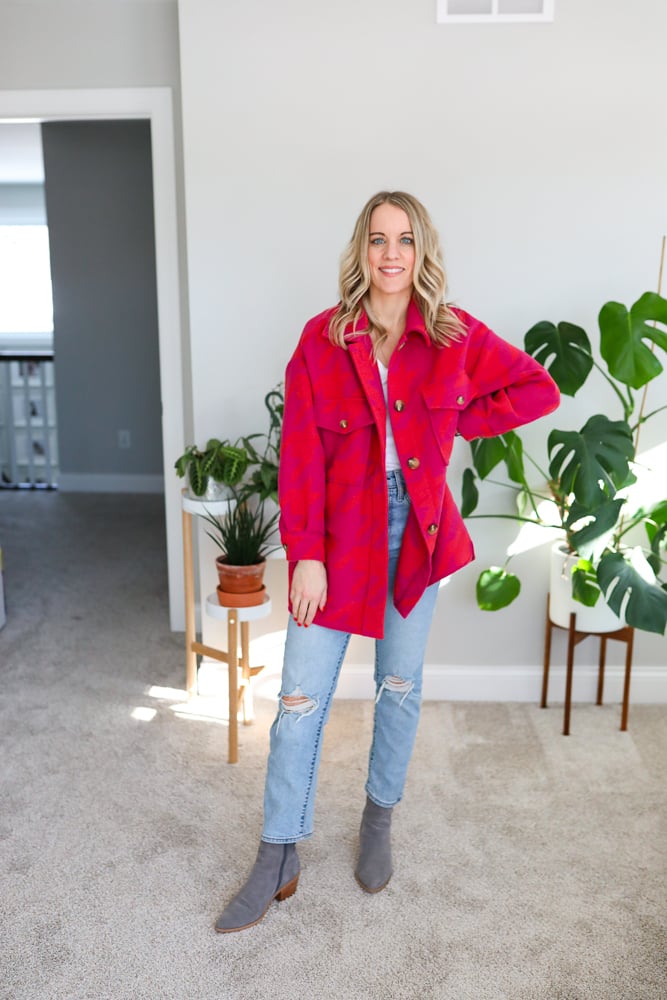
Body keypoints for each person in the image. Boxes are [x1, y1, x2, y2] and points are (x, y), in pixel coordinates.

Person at [215, 190, 560, 933]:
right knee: (299, 699)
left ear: (421, 250)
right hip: (338, 539)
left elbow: (538, 388)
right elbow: (300, 456)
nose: (390, 253)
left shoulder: (451, 334)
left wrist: (458, 420)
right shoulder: (321, 339)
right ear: (360, 251)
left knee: (398, 685)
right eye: (377, 239)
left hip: (417, 534)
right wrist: (305, 555)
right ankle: (279, 853)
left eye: (404, 239)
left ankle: (378, 820)